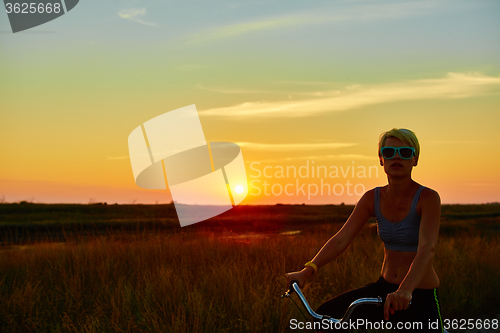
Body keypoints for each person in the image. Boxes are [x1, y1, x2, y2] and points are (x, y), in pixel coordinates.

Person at [285, 128, 443, 332]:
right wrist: (307, 271)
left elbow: (427, 248)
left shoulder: (428, 198)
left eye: (404, 152)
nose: (396, 157)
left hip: (418, 294)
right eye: (389, 152)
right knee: (325, 317)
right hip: (383, 289)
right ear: (381, 159)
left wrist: (405, 290)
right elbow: (342, 239)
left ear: (415, 159)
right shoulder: (372, 198)